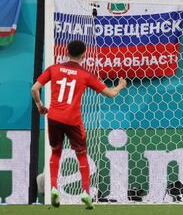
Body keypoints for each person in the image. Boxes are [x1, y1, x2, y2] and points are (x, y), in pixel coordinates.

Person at [31, 40, 127, 209]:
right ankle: (85, 193)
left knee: (55, 153)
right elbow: (110, 94)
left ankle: (53, 188)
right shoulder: (86, 75)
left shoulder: (53, 69)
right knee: (81, 155)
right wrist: (119, 86)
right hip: (73, 120)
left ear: (66, 52)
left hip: (54, 117)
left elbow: (34, 88)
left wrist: (40, 106)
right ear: (84, 55)